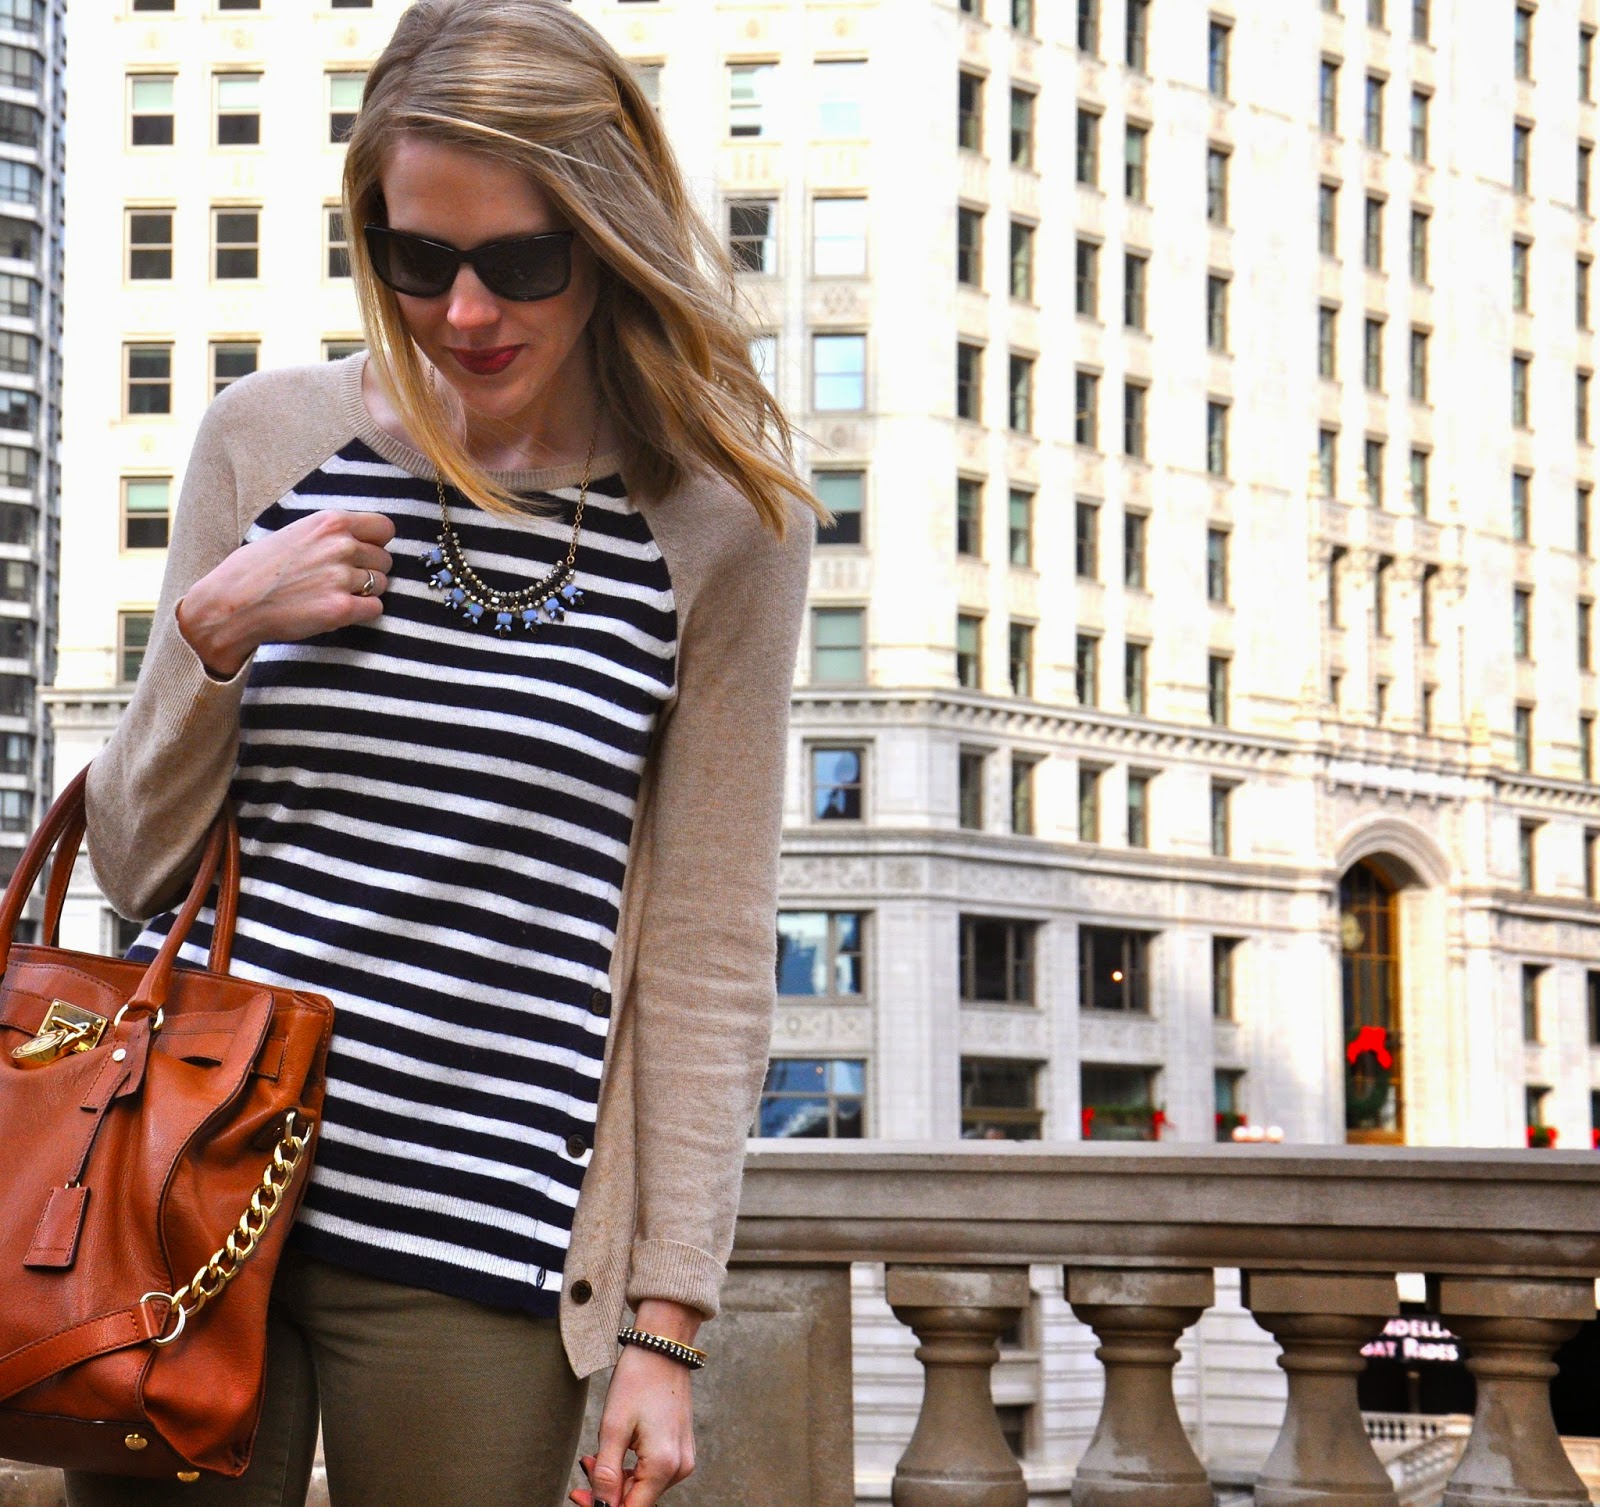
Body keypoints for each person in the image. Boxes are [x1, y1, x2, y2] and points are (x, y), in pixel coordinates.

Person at [70, 1, 818, 1503]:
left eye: (518, 262)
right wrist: (218, 630)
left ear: (607, 241)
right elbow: (135, 864)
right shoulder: (265, 443)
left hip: (482, 1240)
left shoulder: (722, 523)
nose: (465, 312)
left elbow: (708, 943)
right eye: (419, 259)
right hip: (181, 1188)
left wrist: (664, 1326)